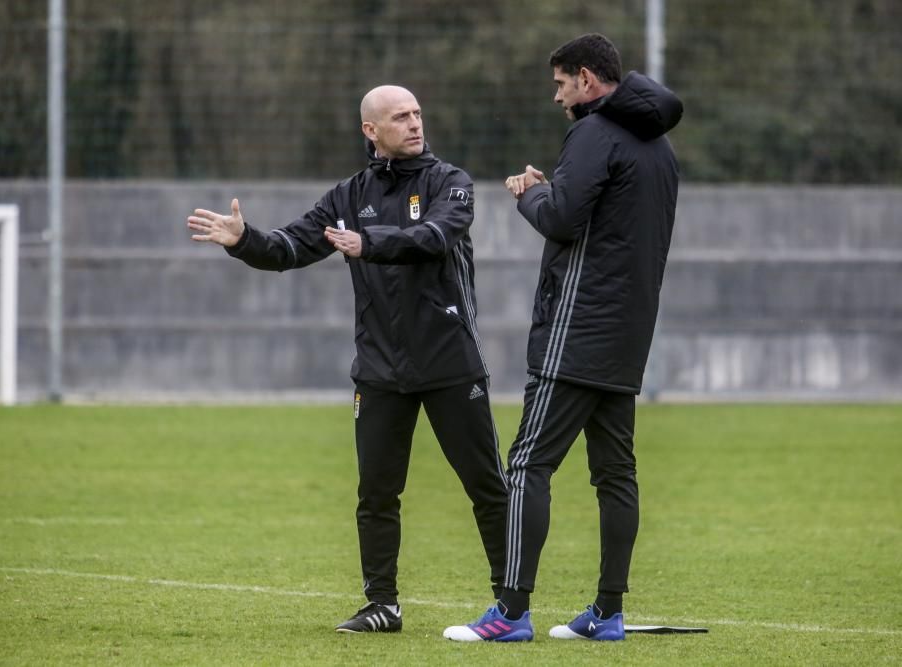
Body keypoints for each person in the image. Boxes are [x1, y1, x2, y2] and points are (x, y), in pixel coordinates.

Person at [187, 85, 508, 634]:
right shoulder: (347, 195)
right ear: (371, 131)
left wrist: (369, 242)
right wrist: (243, 241)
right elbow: (291, 248)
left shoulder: (450, 183)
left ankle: (510, 602)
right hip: (380, 371)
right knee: (377, 493)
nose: (414, 124)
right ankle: (383, 604)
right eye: (400, 117)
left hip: (451, 362)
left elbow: (434, 237)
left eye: (417, 114)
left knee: (485, 486)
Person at [443, 33, 683, 642]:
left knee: (527, 463)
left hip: (575, 332)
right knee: (616, 474)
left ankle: (511, 613)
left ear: (585, 78)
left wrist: (531, 193)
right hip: (629, 337)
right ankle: (608, 613)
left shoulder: (594, 134)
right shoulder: (659, 148)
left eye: (559, 85)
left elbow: (561, 219)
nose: (557, 98)